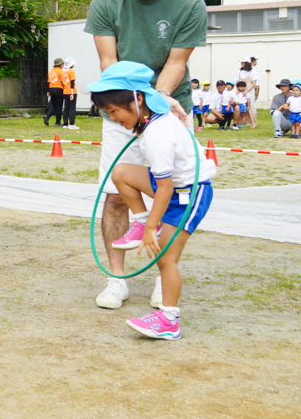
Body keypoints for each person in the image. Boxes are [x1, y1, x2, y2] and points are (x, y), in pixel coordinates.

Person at [85, 0, 207, 310]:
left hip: (167, 108)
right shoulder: (105, 3)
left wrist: (160, 101)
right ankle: (116, 277)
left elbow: (176, 62)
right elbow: (110, 63)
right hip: (122, 107)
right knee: (116, 194)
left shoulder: (189, 4)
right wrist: (129, 110)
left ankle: (161, 273)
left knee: (170, 192)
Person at [88, 61, 217, 340]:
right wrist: (147, 221)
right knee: (120, 172)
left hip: (188, 195)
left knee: (164, 258)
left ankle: (169, 319)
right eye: (106, 113)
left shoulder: (158, 133)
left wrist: (151, 229)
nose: (112, 118)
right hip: (172, 187)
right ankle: (144, 219)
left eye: (113, 111)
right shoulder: (152, 118)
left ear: (137, 100)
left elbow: (166, 189)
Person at [237, 58, 259, 128]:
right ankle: (241, 122)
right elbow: (237, 81)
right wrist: (238, 89)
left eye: (243, 62)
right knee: (240, 104)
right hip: (240, 89)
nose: (242, 64)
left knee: (251, 105)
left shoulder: (253, 71)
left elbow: (254, 83)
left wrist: (247, 91)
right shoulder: (240, 71)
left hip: (250, 89)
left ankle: (254, 123)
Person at [44, 58, 65, 127]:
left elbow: (48, 82)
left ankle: (47, 116)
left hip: (51, 89)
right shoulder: (61, 71)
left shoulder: (51, 71)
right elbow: (63, 81)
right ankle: (57, 122)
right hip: (59, 89)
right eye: (62, 64)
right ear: (60, 64)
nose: (63, 65)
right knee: (59, 106)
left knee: (53, 105)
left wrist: (48, 91)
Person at [61, 57, 78, 130]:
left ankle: (65, 123)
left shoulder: (63, 72)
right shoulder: (71, 72)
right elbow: (72, 82)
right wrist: (71, 94)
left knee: (66, 108)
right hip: (71, 92)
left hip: (65, 91)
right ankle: (71, 123)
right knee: (72, 108)